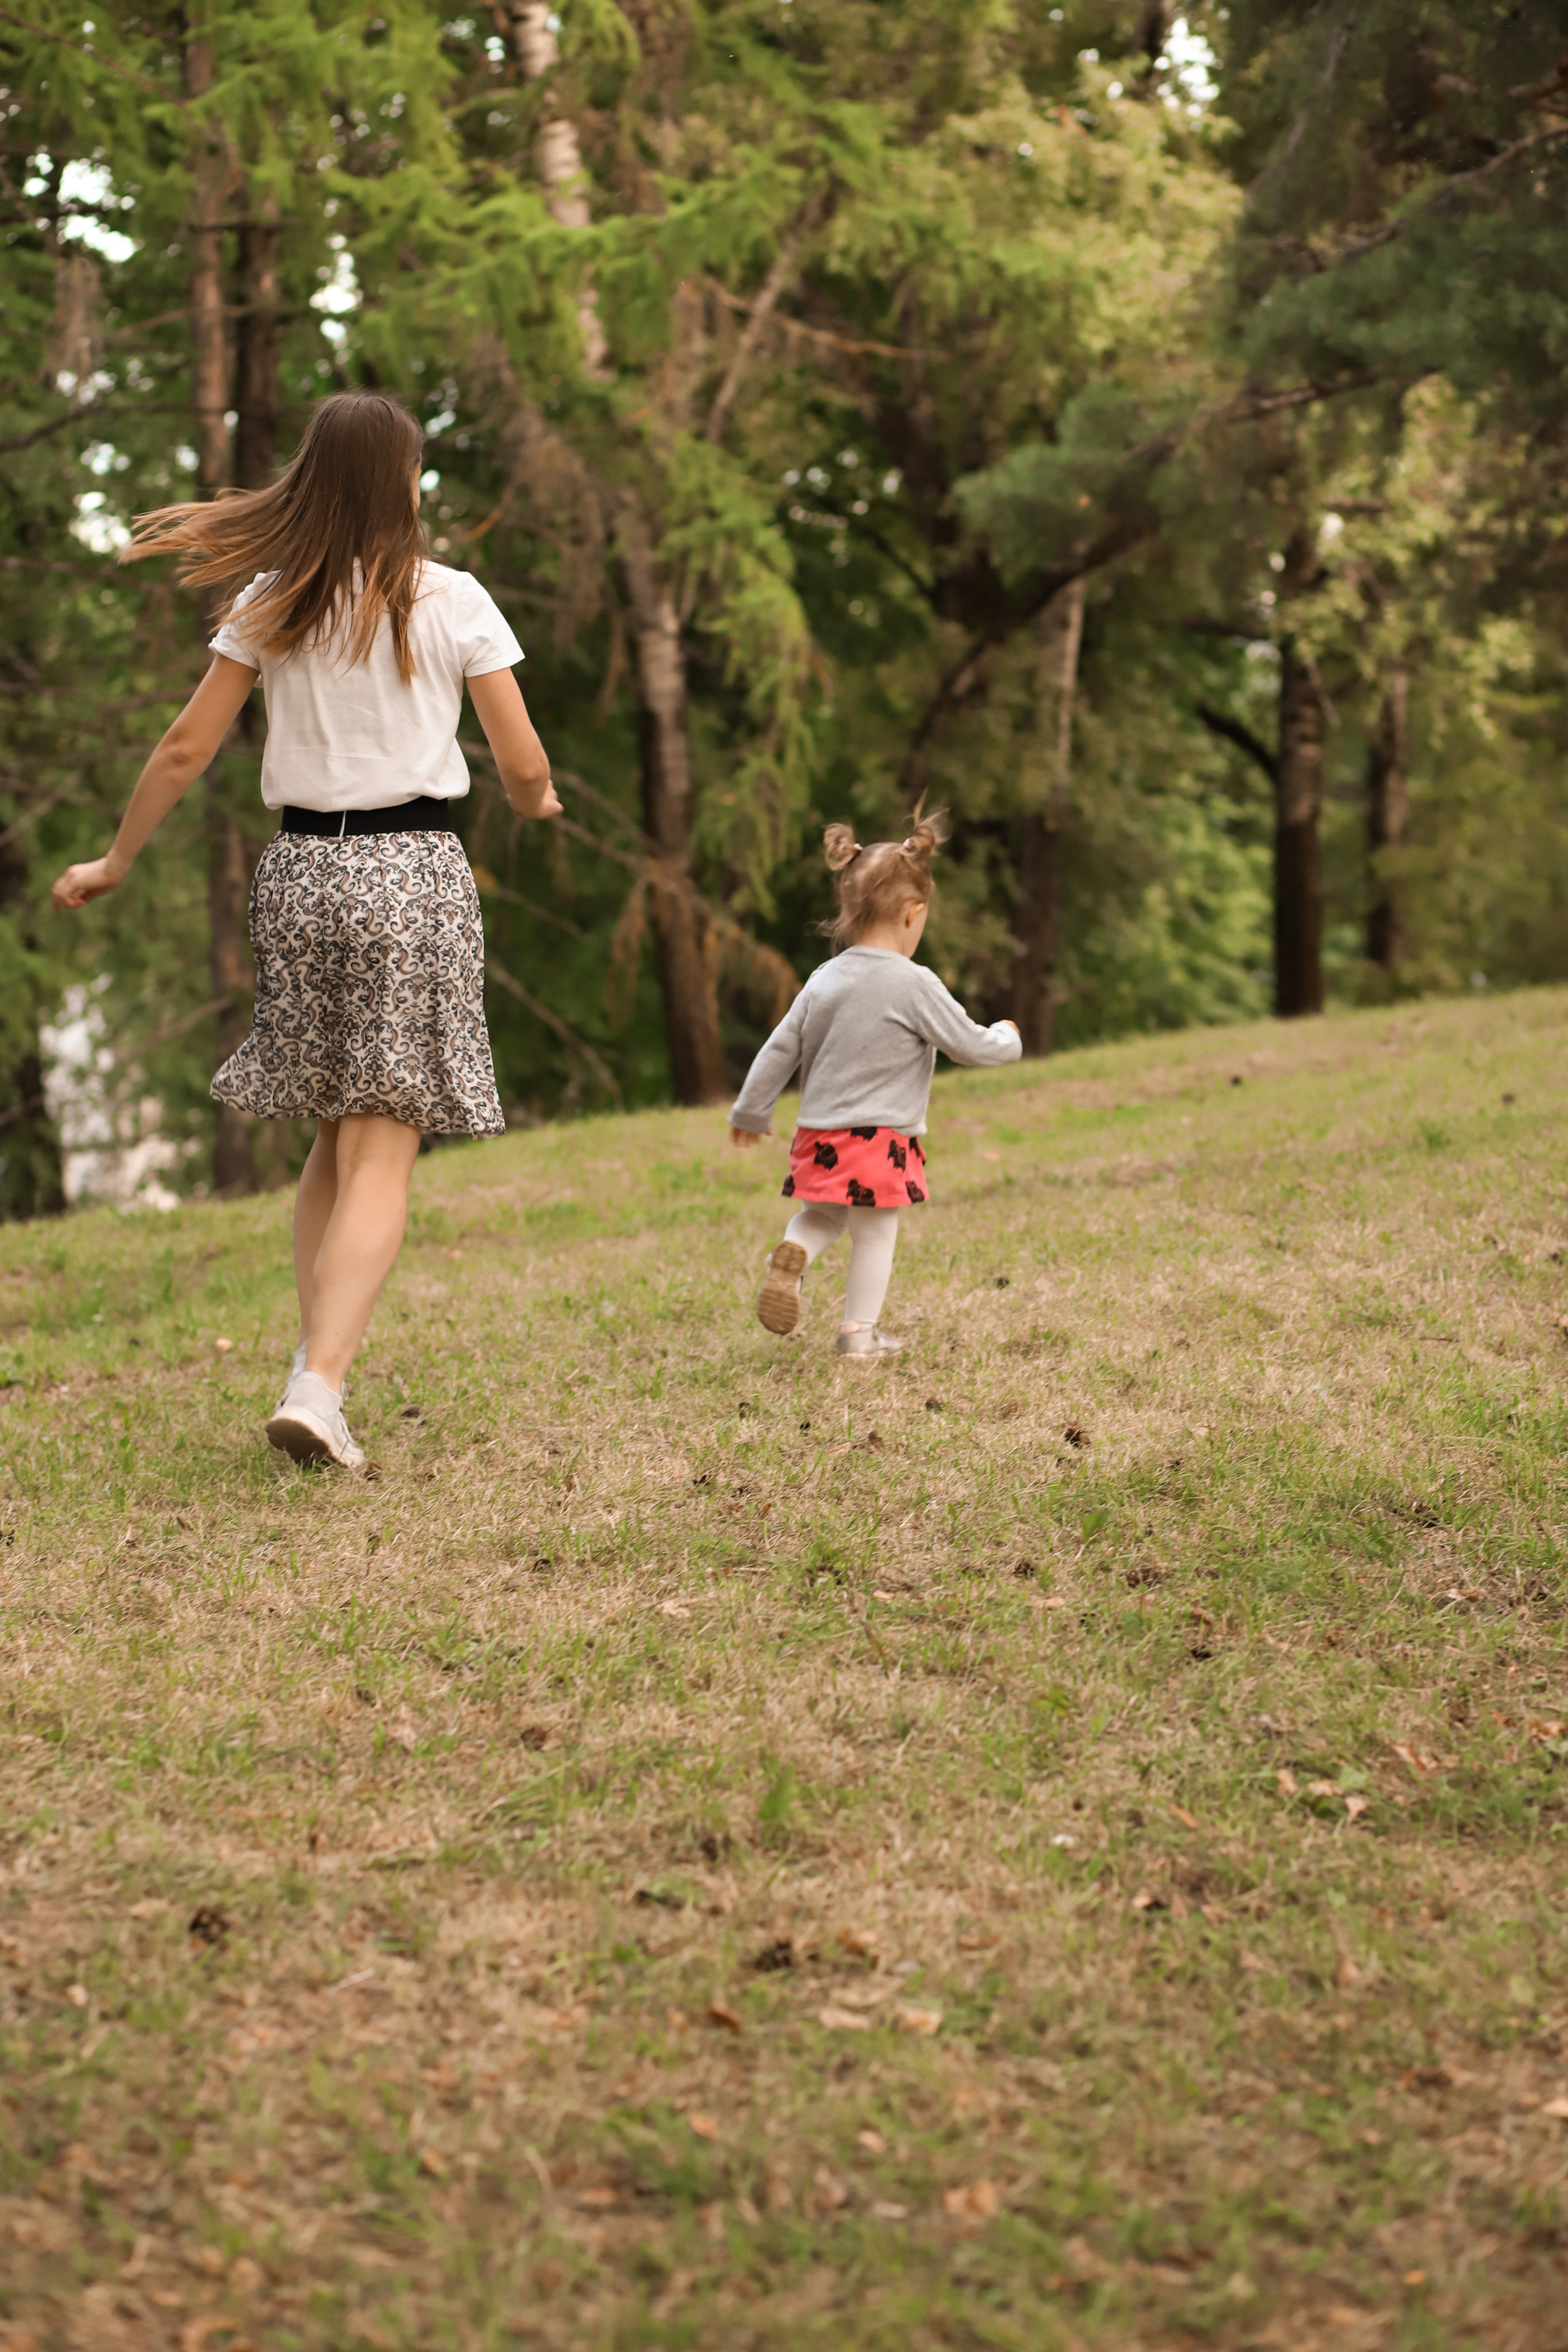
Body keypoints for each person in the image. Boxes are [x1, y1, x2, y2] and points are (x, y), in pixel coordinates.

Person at [50, 391, 560, 1468]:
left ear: (314, 480)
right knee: (383, 1142)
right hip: (410, 874)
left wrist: (114, 861)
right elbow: (521, 762)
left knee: (335, 1131)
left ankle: (315, 1368)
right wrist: (535, 802)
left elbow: (185, 748)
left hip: (300, 875)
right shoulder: (453, 598)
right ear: (404, 482)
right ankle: (320, 1386)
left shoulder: (273, 599)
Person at [729, 805, 1021, 1355]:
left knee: (823, 1216)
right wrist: (1007, 1037)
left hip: (818, 1136)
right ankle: (858, 1335)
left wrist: (751, 1112)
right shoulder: (914, 983)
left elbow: (779, 1049)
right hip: (879, 1140)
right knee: (875, 1232)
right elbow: (967, 1044)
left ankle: (792, 1254)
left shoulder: (823, 979)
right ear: (914, 914)